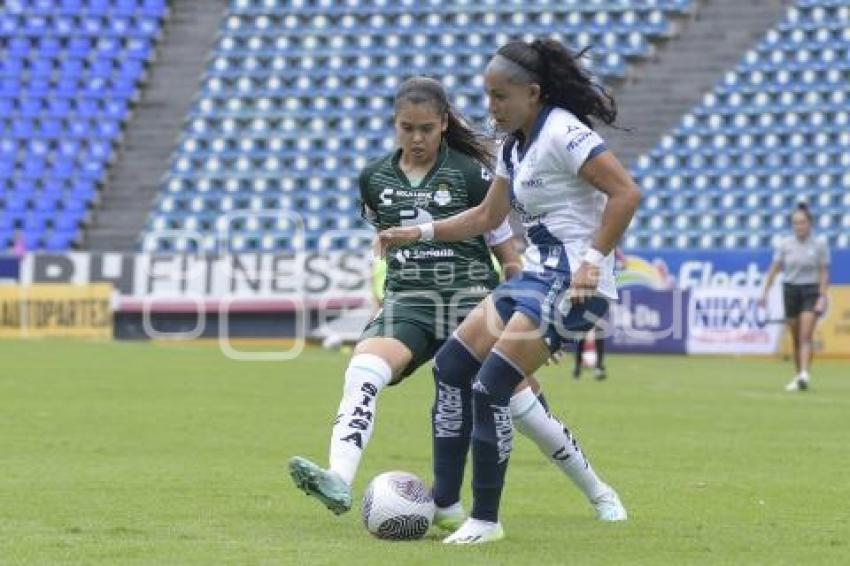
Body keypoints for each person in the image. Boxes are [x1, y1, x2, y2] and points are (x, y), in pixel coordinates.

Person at [379, 39, 642, 544]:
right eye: (488, 96)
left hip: (573, 286)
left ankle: (486, 521)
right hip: (532, 280)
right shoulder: (514, 146)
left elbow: (626, 193)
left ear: (533, 94)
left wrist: (592, 262)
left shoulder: (564, 132)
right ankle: (445, 504)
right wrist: (416, 232)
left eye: (501, 97)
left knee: (491, 386)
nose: (492, 107)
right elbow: (486, 217)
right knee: (452, 366)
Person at [288, 77, 524, 523]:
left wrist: (527, 316)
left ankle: (598, 492)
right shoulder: (373, 178)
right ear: (395, 125)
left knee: (522, 405)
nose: (416, 138)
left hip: (470, 299)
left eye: (426, 129)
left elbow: (504, 248)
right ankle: (338, 478)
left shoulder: (474, 175)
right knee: (361, 372)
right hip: (410, 303)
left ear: (443, 125)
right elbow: (385, 243)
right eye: (406, 128)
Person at [760, 202, 830, 391]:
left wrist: (822, 296)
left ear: (810, 223)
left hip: (810, 290)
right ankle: (800, 377)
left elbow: (824, 272)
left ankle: (805, 373)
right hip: (790, 290)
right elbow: (774, 269)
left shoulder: (820, 245)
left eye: (802, 222)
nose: (799, 226)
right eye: (795, 223)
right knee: (795, 337)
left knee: (805, 334)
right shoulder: (785, 244)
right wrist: (764, 292)